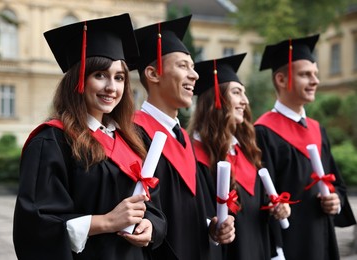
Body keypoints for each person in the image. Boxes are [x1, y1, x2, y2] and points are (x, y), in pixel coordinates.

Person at [12, 14, 167, 260]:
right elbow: (35, 227)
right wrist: (105, 222)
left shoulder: (132, 140)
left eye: (119, 77)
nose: (112, 88)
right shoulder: (53, 141)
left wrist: (151, 226)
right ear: (78, 80)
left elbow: (153, 207)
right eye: (100, 75)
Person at [130, 15, 236, 260]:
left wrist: (214, 227)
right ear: (153, 73)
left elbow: (196, 212)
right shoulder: (133, 133)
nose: (195, 76)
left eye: (193, 67)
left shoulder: (183, 139)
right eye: (183, 66)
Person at [254, 34, 356, 260]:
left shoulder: (317, 129)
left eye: (316, 75)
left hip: (323, 239)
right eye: (305, 75)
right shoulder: (263, 132)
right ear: (281, 80)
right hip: (289, 245)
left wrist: (335, 201)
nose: (315, 81)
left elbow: (335, 183)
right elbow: (260, 198)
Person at [188, 53, 291, 260]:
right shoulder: (195, 155)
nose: (245, 101)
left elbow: (259, 206)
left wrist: (278, 209)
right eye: (236, 93)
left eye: (244, 93)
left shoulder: (245, 151)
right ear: (216, 100)